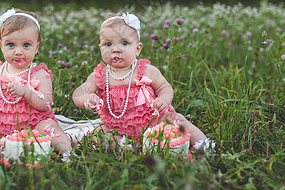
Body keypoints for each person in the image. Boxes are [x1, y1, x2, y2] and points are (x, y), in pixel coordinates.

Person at [73, 12, 213, 152]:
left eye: (124, 43)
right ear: (100, 48)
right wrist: (86, 99)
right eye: (108, 44)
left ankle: (203, 144)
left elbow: (165, 87)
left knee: (177, 119)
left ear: (137, 49)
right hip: (116, 128)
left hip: (153, 122)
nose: (115, 49)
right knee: (96, 136)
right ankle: (129, 147)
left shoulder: (146, 70)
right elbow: (79, 92)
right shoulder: (100, 75)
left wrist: (164, 100)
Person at [0, 8, 72, 158]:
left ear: (36, 47)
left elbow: (46, 103)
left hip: (34, 125)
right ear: (1, 45)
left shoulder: (39, 74)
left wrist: (27, 91)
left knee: (49, 128)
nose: (18, 51)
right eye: (11, 45)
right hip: (2, 127)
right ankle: (4, 151)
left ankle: (67, 153)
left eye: (26, 45)